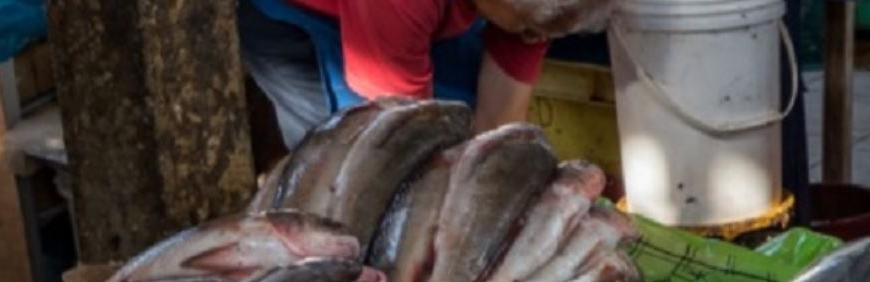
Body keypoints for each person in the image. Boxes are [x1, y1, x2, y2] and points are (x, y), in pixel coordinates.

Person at [238, 0, 616, 149]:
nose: (536, 39)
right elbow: (402, 136)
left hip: (428, 18)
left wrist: (493, 170)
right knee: (349, 160)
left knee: (458, 125)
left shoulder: (528, 10)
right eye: (530, 28)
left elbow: (497, 125)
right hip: (301, 17)